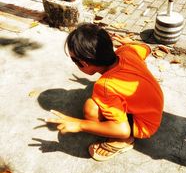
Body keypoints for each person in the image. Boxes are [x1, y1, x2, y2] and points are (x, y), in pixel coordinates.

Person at [45, 23, 164, 161]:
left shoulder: (104, 86)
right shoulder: (127, 51)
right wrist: (130, 43)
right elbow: (146, 48)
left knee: (91, 108)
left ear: (83, 64)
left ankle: (122, 141)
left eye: (74, 60)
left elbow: (122, 129)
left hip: (143, 127)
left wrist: (80, 125)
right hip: (153, 110)